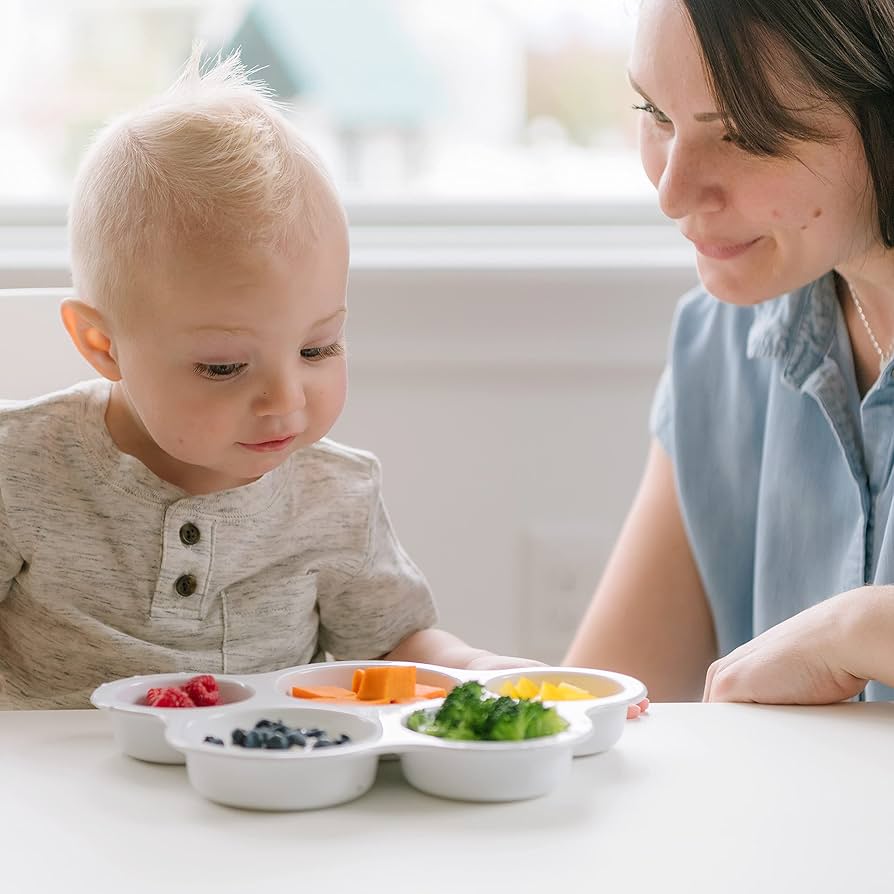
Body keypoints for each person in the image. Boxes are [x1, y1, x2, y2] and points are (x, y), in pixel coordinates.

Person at [0, 49, 537, 709]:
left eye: (319, 348)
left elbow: (397, 648)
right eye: (224, 367)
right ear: (102, 344)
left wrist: (481, 673)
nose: (286, 401)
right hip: (54, 802)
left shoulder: (334, 497)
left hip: (266, 798)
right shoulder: (18, 467)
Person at [564, 0, 894, 706]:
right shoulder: (720, 347)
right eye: (654, 113)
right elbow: (600, 721)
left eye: (743, 135)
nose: (671, 191)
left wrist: (859, 629)